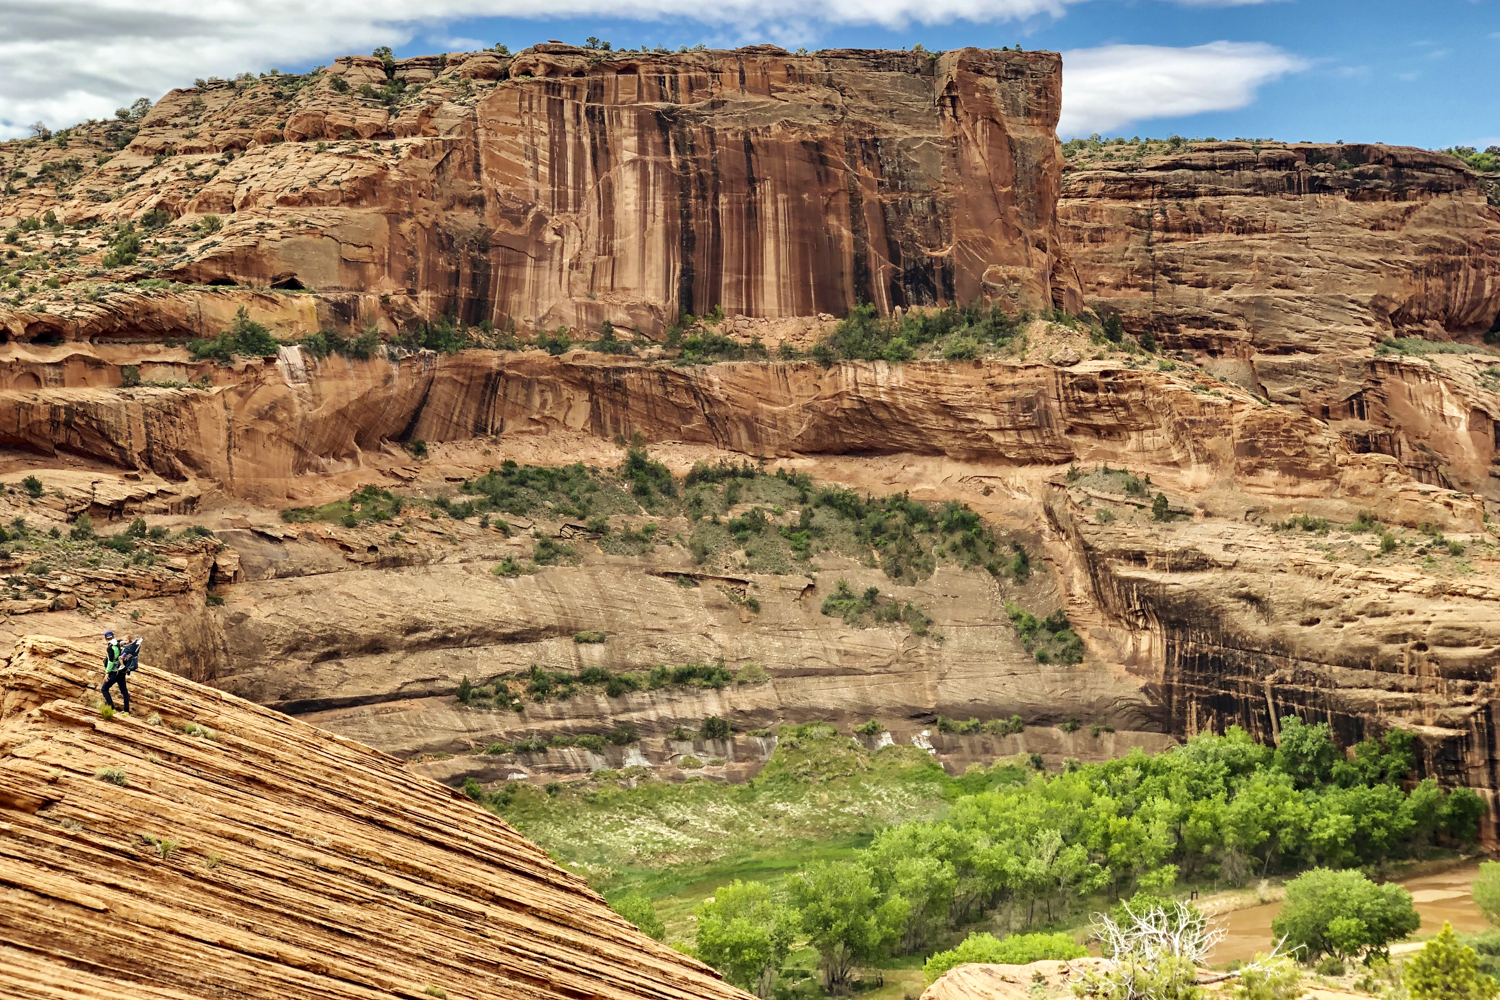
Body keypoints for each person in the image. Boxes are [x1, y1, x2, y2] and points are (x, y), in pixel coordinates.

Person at [101, 630, 129, 714]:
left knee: (104, 689)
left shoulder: (110, 647)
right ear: (113, 636)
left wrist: (107, 673)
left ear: (106, 639)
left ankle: (112, 709)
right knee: (124, 691)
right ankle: (126, 711)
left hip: (114, 672)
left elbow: (110, 661)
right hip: (122, 671)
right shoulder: (119, 643)